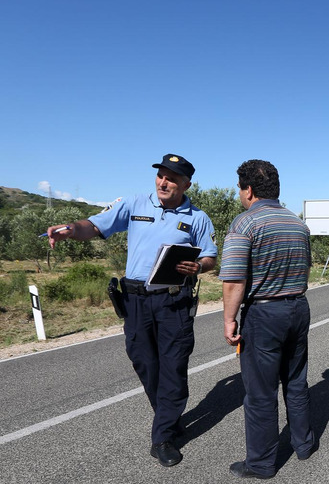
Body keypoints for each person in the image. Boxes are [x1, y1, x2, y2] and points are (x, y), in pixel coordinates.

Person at [46, 154, 217, 467]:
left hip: (174, 301)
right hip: (136, 300)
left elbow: (210, 258)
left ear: (186, 184)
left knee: (174, 367)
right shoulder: (134, 204)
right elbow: (94, 225)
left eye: (172, 179)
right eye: (161, 176)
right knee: (145, 363)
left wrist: (198, 266)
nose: (164, 183)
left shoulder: (198, 217)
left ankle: (162, 437)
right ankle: (169, 415)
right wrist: (71, 228)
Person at [220, 159, 315, 480]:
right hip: (298, 308)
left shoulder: (245, 224)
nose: (239, 195)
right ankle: (304, 444)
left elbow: (233, 280)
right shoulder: (297, 223)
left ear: (248, 190)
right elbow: (306, 268)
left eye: (239, 189)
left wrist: (229, 319)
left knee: (260, 392)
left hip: (264, 314)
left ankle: (260, 464)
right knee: (296, 381)